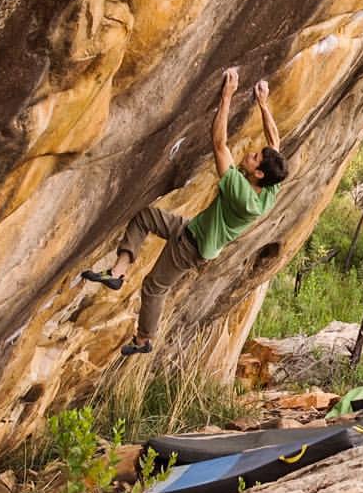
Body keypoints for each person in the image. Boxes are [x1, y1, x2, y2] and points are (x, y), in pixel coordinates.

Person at [82, 67, 287, 355]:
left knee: (154, 287)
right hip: (191, 229)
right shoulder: (270, 188)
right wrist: (263, 105)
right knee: (145, 217)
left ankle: (144, 340)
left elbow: (219, 144)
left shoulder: (242, 196)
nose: (251, 153)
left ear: (259, 174)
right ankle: (119, 271)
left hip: (192, 247)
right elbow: (275, 141)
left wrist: (226, 96)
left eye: (254, 158)